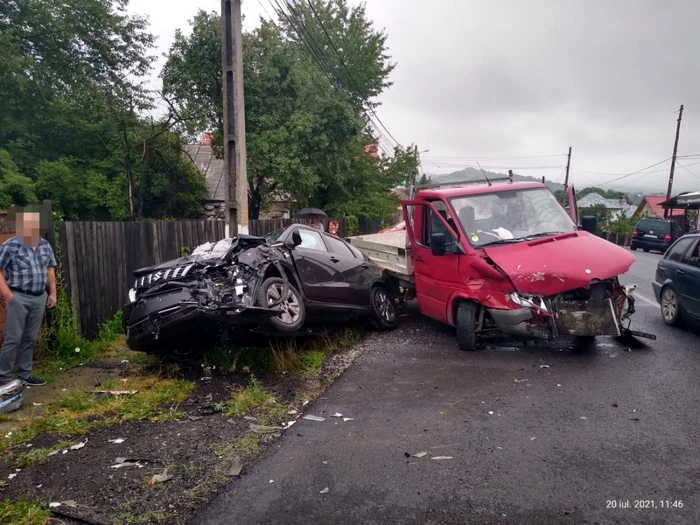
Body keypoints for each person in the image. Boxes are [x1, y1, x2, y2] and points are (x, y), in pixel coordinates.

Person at [0, 209, 58, 386]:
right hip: (19, 297)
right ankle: (4, 378)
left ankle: (25, 374)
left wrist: (53, 293)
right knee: (12, 338)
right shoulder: (11, 245)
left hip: (39, 297)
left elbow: (50, 269)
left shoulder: (44, 245)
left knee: (29, 338)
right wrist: (7, 294)